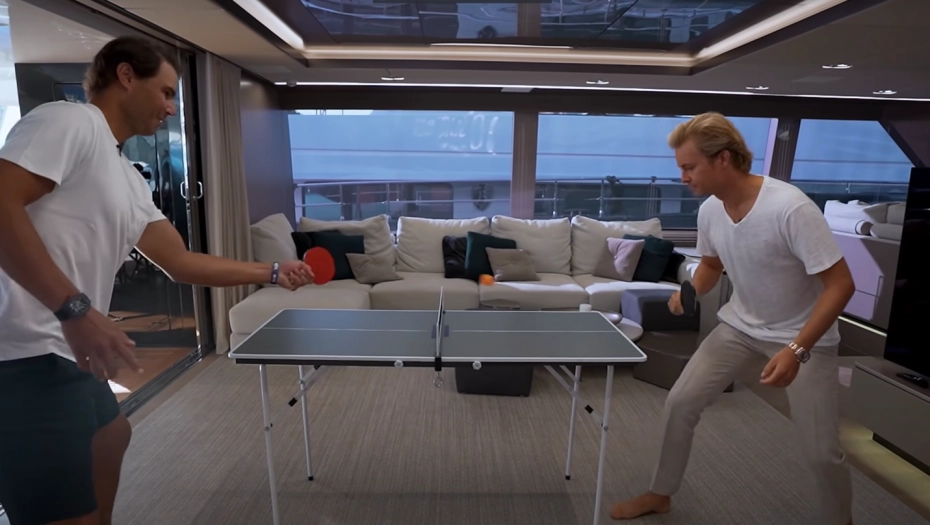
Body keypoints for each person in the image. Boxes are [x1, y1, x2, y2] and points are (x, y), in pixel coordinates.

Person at [0, 36, 313, 525]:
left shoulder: (126, 176)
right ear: (126, 76)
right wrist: (75, 310)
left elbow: (180, 262)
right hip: (22, 358)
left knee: (113, 435)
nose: (170, 108)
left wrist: (272, 271)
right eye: (165, 92)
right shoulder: (70, 121)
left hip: (68, 357)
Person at [610, 112, 856, 525]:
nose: (683, 177)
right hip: (740, 329)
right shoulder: (710, 210)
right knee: (680, 402)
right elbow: (711, 264)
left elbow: (841, 285)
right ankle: (660, 493)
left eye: (689, 167)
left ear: (722, 159)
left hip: (802, 338)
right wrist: (688, 291)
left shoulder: (790, 207)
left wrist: (797, 349)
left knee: (820, 451)